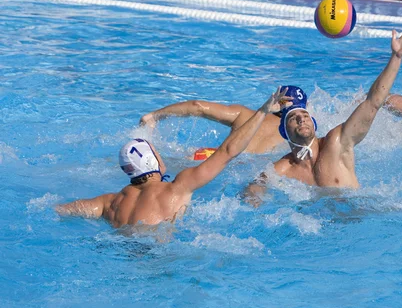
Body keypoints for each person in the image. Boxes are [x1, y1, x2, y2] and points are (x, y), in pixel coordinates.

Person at [55, 88, 292, 227]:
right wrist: (262, 111)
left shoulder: (109, 202)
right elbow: (228, 151)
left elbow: (64, 209)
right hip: (161, 258)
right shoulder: (176, 189)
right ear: (152, 162)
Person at [244, 24, 402, 204]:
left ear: (314, 123)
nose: (301, 118)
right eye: (293, 117)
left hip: (357, 219)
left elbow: (373, 103)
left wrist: (396, 57)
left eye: (305, 116)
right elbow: (255, 184)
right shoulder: (284, 167)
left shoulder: (337, 142)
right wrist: (253, 196)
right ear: (283, 131)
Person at [138, 90, 301, 153]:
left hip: (207, 157)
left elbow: (197, 106)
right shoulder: (298, 135)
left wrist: (154, 116)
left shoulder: (244, 114)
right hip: (243, 170)